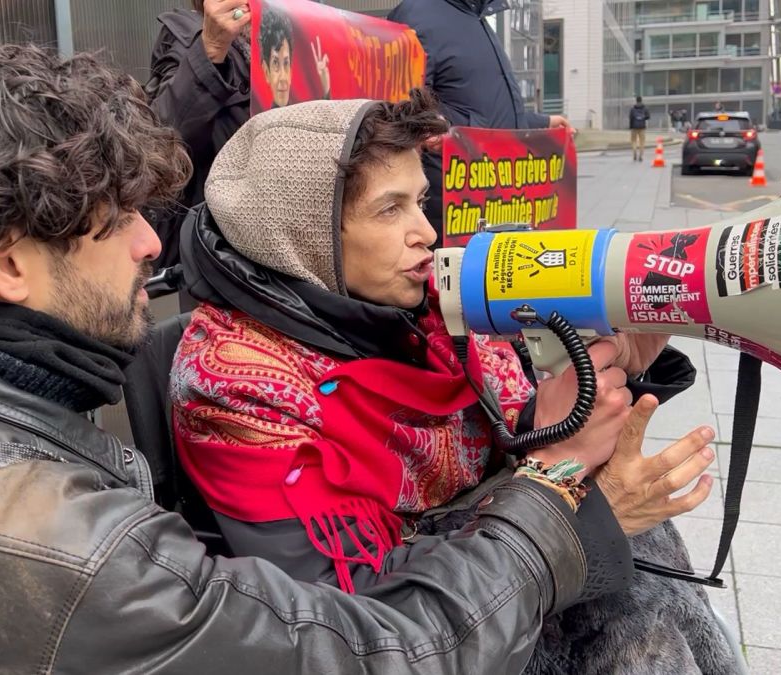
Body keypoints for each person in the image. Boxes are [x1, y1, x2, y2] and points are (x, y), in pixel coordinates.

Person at [0, 35, 665, 673]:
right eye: (117, 220)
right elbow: (368, 649)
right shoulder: (71, 546)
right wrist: (553, 494)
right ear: (7, 263)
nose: (152, 243)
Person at [172, 91, 738, 672]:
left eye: (420, 201)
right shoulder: (233, 381)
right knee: (624, 569)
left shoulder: (419, 308)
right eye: (389, 210)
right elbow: (344, 619)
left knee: (633, 535)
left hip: (489, 575)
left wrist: (606, 373)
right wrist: (561, 478)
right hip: (417, 636)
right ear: (302, 235)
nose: (426, 231)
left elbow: (513, 431)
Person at [386, 0, 574, 239]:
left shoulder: (474, 17)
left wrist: (542, 122)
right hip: (454, 199)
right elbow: (404, 106)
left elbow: (487, 110)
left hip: (490, 191)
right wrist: (433, 127)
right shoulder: (418, 14)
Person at [144, 0, 251, 270]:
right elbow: (159, 142)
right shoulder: (189, 38)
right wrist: (211, 50)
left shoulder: (288, 38)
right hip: (219, 256)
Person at [258, 4, 330, 110]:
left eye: (286, 63)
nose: (283, 78)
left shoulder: (300, 111)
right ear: (266, 72)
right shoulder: (261, 117)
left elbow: (322, 118)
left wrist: (326, 88)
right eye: (275, 63)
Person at [630, 96, 650, 161]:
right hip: (642, 127)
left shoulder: (633, 109)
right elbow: (648, 117)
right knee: (642, 142)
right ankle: (640, 155)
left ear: (636, 101)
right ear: (641, 100)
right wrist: (643, 118)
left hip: (634, 127)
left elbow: (630, 118)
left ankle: (634, 152)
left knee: (634, 141)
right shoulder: (645, 108)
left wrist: (631, 127)